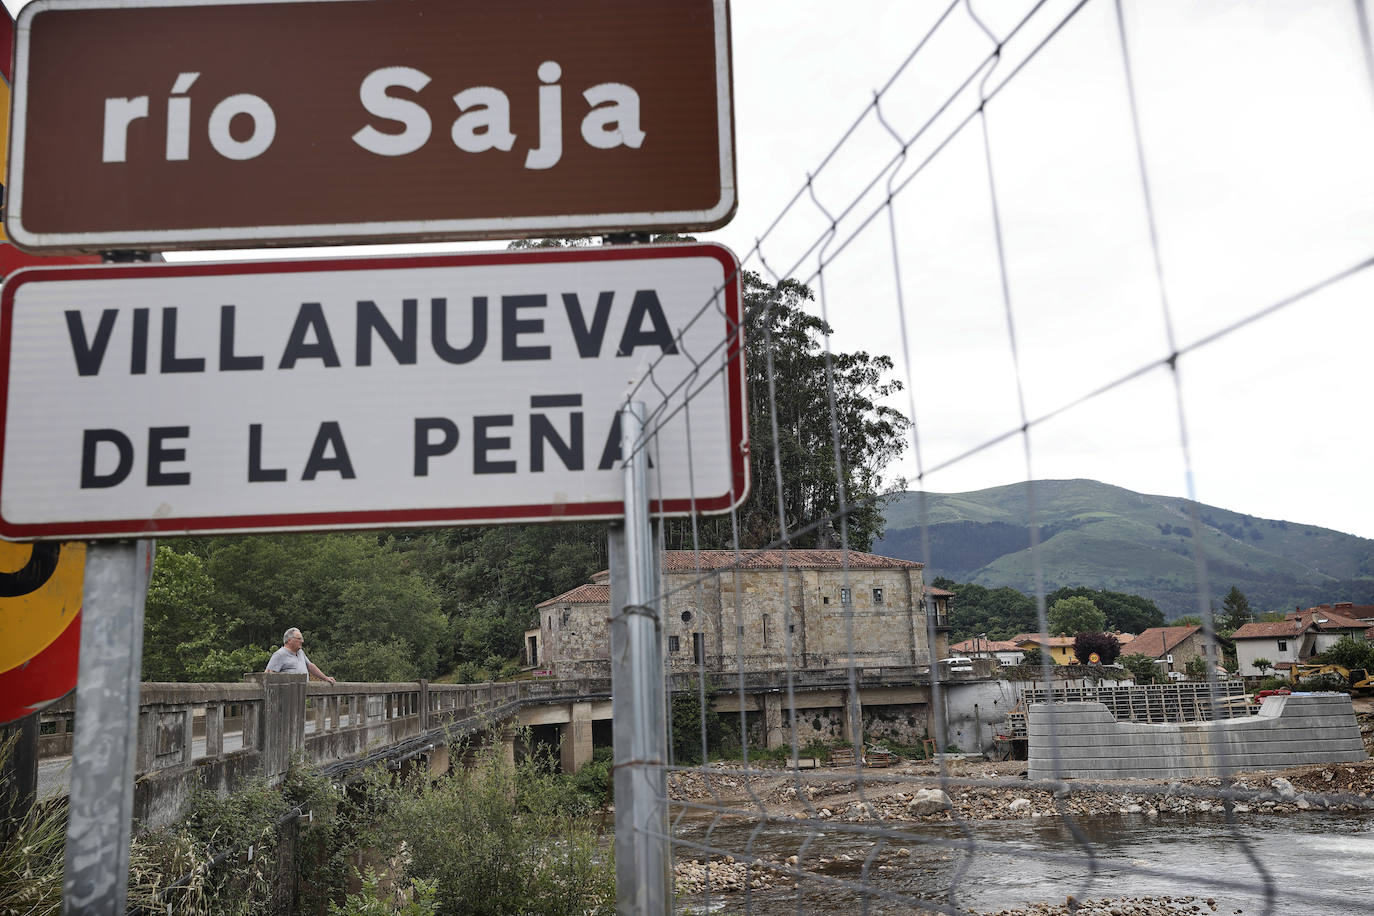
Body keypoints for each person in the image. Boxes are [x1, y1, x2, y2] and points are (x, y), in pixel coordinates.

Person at [265, 627, 336, 683]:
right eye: (299, 639)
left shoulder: (300, 652)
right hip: (287, 696)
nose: (302, 641)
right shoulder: (279, 655)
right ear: (289, 640)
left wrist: (325, 678)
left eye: (301, 638)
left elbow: (310, 666)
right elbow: (268, 675)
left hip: (302, 694)